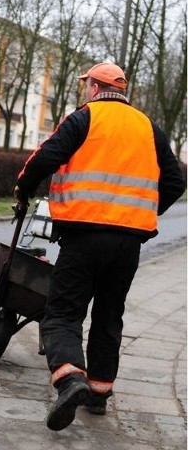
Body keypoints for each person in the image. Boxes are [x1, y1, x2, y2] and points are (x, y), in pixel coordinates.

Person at [14, 62, 185, 431]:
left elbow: (45, 157)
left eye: (86, 84)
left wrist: (23, 187)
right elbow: (174, 181)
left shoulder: (84, 117)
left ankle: (70, 377)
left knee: (63, 312)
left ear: (94, 87)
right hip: (128, 242)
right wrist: (141, 213)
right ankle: (99, 393)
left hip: (83, 236)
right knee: (109, 315)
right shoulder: (148, 126)